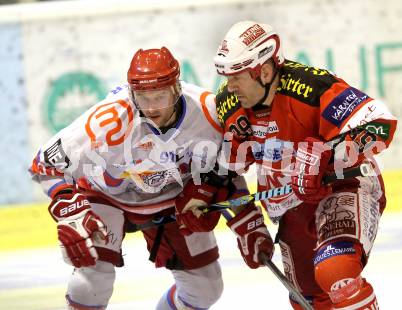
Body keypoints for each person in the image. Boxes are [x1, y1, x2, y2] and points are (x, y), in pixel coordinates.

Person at [179, 21, 398, 309]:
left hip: (342, 186)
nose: (229, 87)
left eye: (237, 77)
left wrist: (327, 156)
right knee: (307, 298)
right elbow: (228, 164)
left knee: (336, 273)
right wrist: (202, 195)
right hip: (290, 203)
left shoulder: (311, 87)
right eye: (226, 77)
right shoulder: (229, 103)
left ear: (265, 71)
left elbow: (380, 124)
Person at [30, 46, 248, 310]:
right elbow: (43, 163)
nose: (152, 107)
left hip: (174, 198)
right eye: (143, 97)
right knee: (91, 284)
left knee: (205, 288)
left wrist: (249, 223)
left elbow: (227, 167)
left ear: (177, 88)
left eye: (160, 96)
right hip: (106, 195)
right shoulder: (107, 121)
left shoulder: (208, 112)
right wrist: (68, 210)